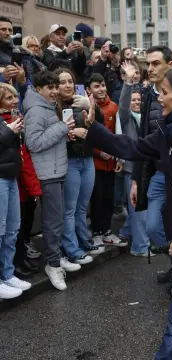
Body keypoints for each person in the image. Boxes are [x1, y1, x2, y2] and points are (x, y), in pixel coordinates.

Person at [73, 66, 172, 360]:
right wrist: (95, 127)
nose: (159, 98)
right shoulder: (169, 132)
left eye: (164, 93)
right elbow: (134, 147)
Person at [24, 70, 79, 291]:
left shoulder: (47, 107)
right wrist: (63, 128)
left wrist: (65, 134)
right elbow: (34, 143)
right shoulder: (36, 110)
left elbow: (49, 139)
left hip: (56, 170)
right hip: (48, 174)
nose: (55, 91)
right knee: (52, 222)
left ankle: (56, 259)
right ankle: (53, 264)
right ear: (39, 89)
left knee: (57, 220)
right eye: (50, 88)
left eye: (56, 87)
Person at [131, 45, 172, 283]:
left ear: (171, 65)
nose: (150, 68)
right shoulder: (148, 95)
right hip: (158, 172)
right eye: (148, 64)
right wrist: (137, 179)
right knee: (152, 226)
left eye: (156, 63)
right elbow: (142, 139)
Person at [54, 67, 102, 264]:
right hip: (69, 160)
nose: (68, 85)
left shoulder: (81, 100)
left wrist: (92, 107)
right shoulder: (52, 106)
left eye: (70, 81)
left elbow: (97, 125)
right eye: (63, 82)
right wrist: (69, 134)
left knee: (83, 205)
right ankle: (71, 248)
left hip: (87, 158)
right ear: (55, 86)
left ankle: (84, 240)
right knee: (70, 208)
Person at [86, 73, 127, 248]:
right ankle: (96, 233)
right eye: (96, 86)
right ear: (88, 90)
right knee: (97, 198)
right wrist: (97, 152)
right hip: (95, 163)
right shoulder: (87, 107)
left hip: (111, 162)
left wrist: (118, 156)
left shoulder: (114, 107)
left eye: (102, 85)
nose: (101, 89)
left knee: (108, 199)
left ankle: (107, 231)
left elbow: (118, 133)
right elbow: (85, 135)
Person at [0, 83, 33, 298]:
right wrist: (9, 131)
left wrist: (15, 131)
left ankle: (7, 273)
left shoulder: (11, 118)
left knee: (12, 230)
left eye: (14, 96)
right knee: (0, 230)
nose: (14, 100)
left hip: (11, 177)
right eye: (9, 97)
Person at [116, 62, 151, 256]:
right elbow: (123, 103)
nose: (136, 102)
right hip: (132, 168)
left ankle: (125, 232)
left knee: (136, 207)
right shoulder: (126, 117)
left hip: (146, 167)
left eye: (139, 100)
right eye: (134, 100)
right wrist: (128, 83)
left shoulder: (145, 118)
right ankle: (140, 247)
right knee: (138, 208)